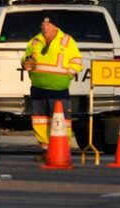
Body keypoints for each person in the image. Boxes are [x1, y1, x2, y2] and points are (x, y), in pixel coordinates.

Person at [22, 16, 82, 158]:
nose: (45, 27)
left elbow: (77, 62)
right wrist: (25, 63)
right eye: (43, 24)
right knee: (40, 121)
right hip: (38, 88)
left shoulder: (67, 41)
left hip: (58, 90)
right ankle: (46, 150)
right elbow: (26, 56)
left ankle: (61, 150)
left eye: (49, 24)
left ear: (56, 27)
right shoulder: (35, 40)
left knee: (61, 121)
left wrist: (68, 75)